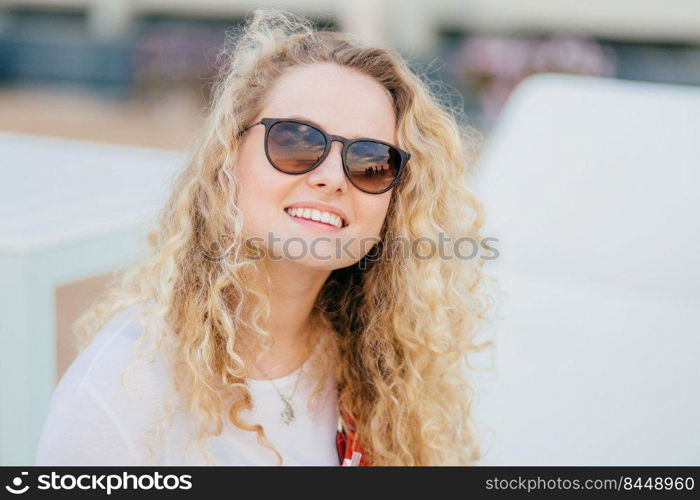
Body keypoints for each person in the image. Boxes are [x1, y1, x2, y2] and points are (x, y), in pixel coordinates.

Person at [35, 8, 494, 466]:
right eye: (296, 141)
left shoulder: (384, 372)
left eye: (371, 161)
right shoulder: (124, 387)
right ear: (227, 161)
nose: (333, 177)